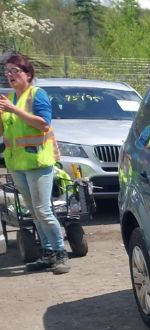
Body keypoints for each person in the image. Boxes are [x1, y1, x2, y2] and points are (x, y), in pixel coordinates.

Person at [0, 53, 69, 274]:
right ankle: (47, 253)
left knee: (43, 209)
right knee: (33, 211)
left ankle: (60, 253)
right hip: (17, 163)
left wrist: (14, 110)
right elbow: (4, 132)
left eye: (15, 71)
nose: (10, 75)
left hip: (38, 161)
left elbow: (43, 124)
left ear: (28, 74)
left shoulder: (36, 95)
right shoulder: (12, 99)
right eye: (7, 71)